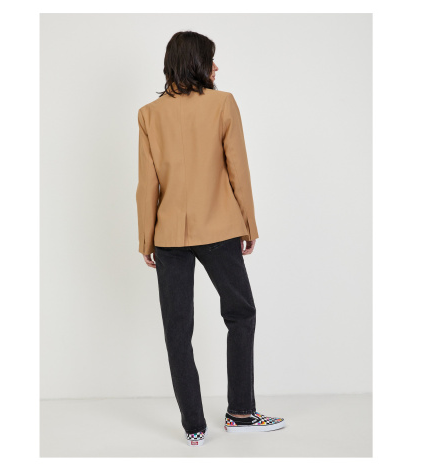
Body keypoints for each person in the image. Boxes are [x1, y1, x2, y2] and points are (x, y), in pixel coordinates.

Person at [136, 31, 285, 446]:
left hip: (168, 236)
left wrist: (146, 239)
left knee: (176, 330)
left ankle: (194, 428)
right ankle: (241, 412)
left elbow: (147, 184)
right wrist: (249, 225)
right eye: (211, 59)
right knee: (241, 314)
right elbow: (238, 168)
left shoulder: (149, 114)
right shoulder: (223, 103)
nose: (216, 68)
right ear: (196, 62)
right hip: (219, 229)